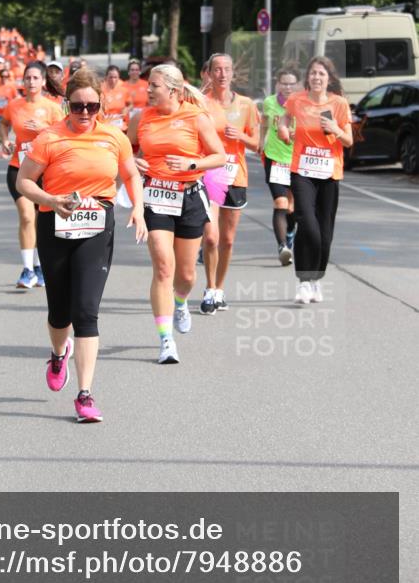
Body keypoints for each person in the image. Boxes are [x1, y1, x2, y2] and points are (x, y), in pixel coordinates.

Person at [17, 67, 146, 422]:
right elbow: (24, 181)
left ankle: (85, 395)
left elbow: (131, 173)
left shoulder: (114, 137)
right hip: (54, 223)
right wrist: (51, 198)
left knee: (86, 311)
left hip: (97, 224)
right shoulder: (49, 138)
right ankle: (59, 354)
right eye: (78, 107)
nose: (85, 113)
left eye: (92, 106)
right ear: (66, 105)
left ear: (101, 103)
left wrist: (138, 207)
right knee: (60, 311)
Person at [128, 64, 225, 363]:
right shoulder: (140, 118)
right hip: (155, 196)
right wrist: (134, 161)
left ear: (172, 89)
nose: (148, 90)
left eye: (154, 86)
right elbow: (124, 151)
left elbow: (219, 156)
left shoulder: (195, 117)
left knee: (185, 275)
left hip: (189, 197)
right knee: (163, 267)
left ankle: (180, 301)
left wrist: (191, 165)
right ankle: (166, 339)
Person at [278, 56, 353, 304]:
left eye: (321, 74)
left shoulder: (339, 104)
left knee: (325, 234)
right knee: (307, 225)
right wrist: (282, 128)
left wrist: (336, 128)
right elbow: (285, 117)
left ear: (328, 78)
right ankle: (303, 282)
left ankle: (316, 279)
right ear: (307, 78)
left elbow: (349, 141)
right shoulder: (297, 100)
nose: (316, 78)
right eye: (313, 74)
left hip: (330, 174)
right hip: (303, 172)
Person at [200, 53, 260, 313]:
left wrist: (242, 137)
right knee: (211, 238)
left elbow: (258, 145)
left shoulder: (246, 105)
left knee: (227, 240)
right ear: (210, 73)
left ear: (233, 73)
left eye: (227, 69)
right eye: (217, 69)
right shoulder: (202, 103)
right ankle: (210, 287)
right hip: (209, 175)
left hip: (235, 175)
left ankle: (220, 289)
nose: (222, 74)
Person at [0, 63, 64, 288]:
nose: (31, 82)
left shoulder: (53, 108)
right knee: (27, 216)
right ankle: (27, 270)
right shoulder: (14, 105)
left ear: (43, 81)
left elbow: (64, 138)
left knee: (41, 221)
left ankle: (38, 267)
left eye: (36, 78)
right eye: (27, 78)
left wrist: (43, 129)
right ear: (23, 81)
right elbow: (4, 123)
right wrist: (5, 140)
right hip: (19, 169)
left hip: (45, 172)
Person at [260, 67, 300, 265]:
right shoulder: (269, 103)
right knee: (280, 203)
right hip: (274, 158)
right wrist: (261, 141)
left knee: (293, 207)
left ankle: (290, 232)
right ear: (277, 84)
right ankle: (282, 246)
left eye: (292, 83)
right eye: (284, 83)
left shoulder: (302, 104)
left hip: (296, 161)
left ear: (298, 85)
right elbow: (265, 123)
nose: (288, 87)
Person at [0, 68, 18, 156]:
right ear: (0, 77)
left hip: (7, 114)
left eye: (6, 76)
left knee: (5, 134)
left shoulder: (12, 86)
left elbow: (16, 98)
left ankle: (3, 150)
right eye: (2, 76)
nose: (4, 78)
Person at [101, 65, 129, 129]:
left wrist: (127, 109)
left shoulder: (124, 90)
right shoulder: (100, 90)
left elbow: (130, 104)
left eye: (115, 77)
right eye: (110, 77)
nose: (113, 80)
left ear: (119, 77)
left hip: (121, 125)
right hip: (106, 125)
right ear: (106, 77)